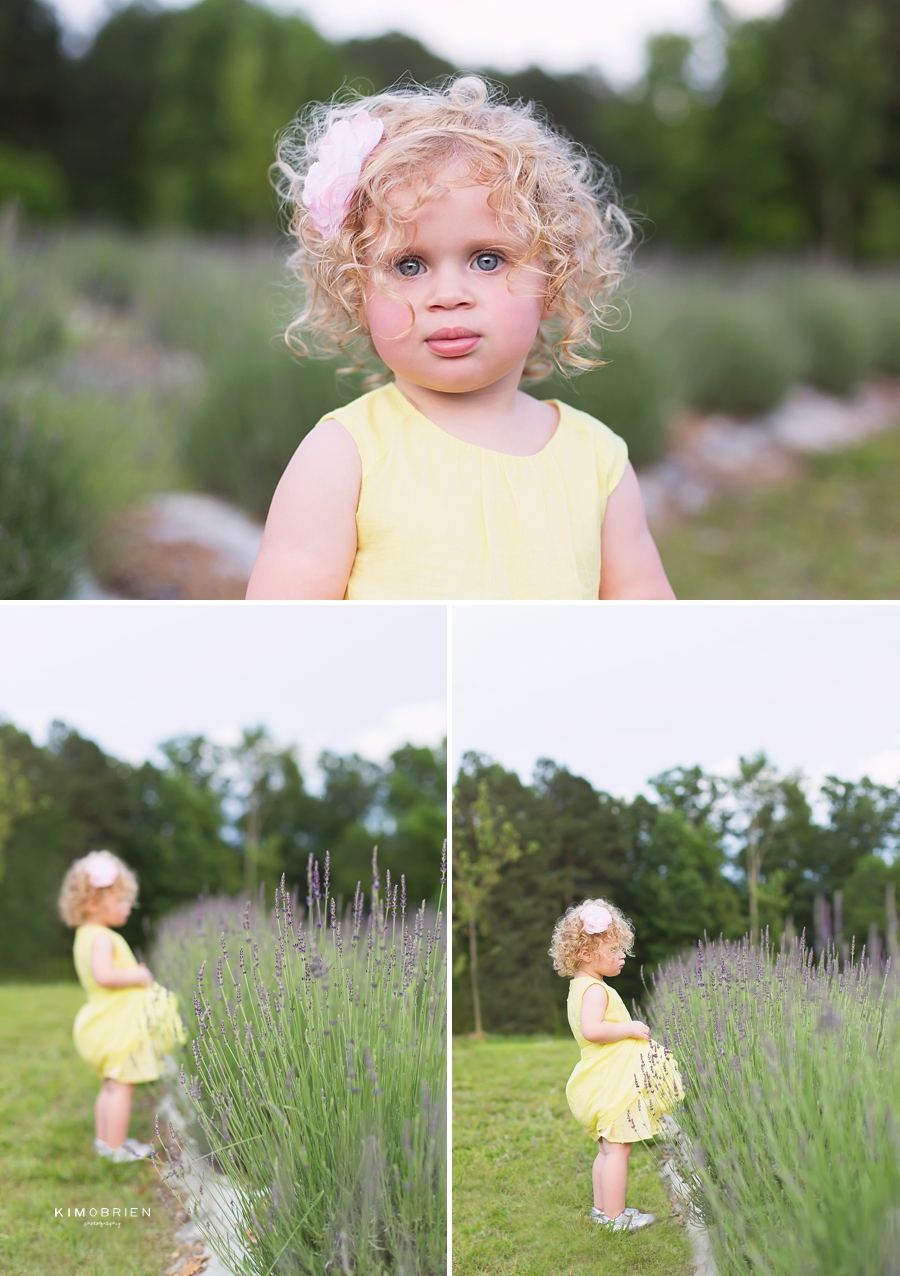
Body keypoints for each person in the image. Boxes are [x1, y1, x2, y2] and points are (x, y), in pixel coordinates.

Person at [246, 76, 674, 601]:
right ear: (357, 290)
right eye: (408, 265)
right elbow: (281, 643)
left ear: (553, 275)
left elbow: (650, 637)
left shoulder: (598, 462)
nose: (448, 295)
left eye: (488, 259)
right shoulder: (343, 457)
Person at [549, 898, 682, 1232]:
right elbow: (594, 1031)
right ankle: (615, 1217)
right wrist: (631, 1027)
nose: (622, 956)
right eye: (614, 950)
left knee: (608, 1151)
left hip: (602, 1076)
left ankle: (601, 1209)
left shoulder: (581, 986)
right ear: (585, 953)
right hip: (611, 1083)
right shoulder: (595, 991)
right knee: (619, 1150)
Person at [58, 850, 185, 1162]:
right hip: (118, 1025)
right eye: (120, 902)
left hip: (106, 1019)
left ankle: (105, 1142)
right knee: (123, 1086)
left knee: (110, 1086)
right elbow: (104, 976)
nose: (128, 908)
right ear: (92, 904)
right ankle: (116, 1148)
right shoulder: (103, 938)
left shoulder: (85, 935)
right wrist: (138, 975)